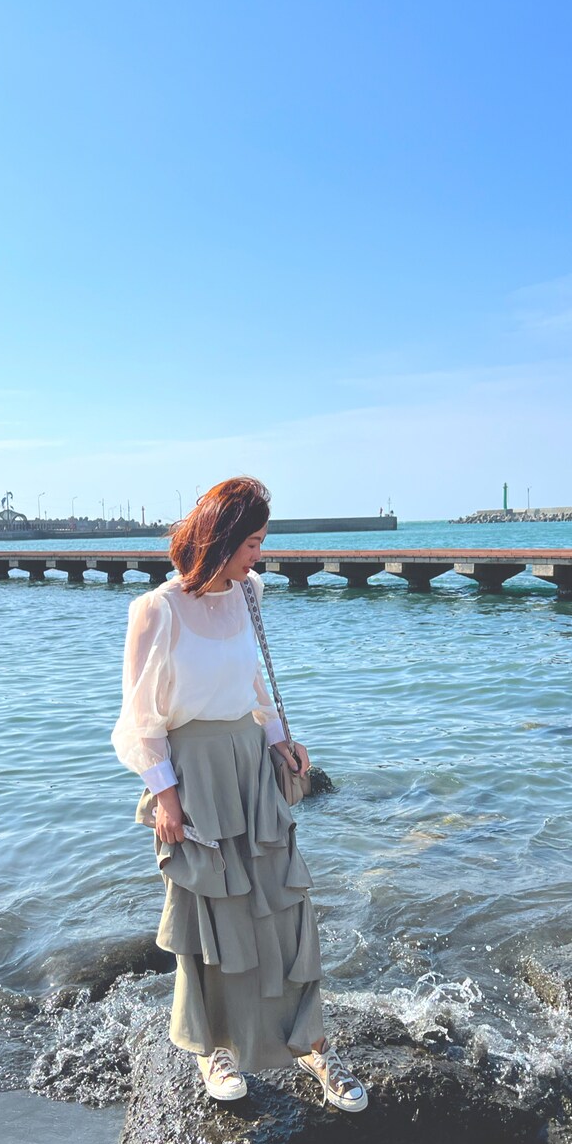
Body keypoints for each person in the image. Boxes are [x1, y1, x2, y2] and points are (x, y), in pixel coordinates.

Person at [112, 476, 367, 1111]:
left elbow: (253, 681)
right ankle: (214, 1048)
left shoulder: (250, 593)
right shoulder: (157, 610)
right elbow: (139, 719)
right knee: (209, 913)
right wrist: (165, 796)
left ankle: (311, 1043)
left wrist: (280, 741)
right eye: (252, 542)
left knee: (284, 906)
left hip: (251, 763)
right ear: (219, 540)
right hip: (192, 770)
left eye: (261, 542)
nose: (260, 554)